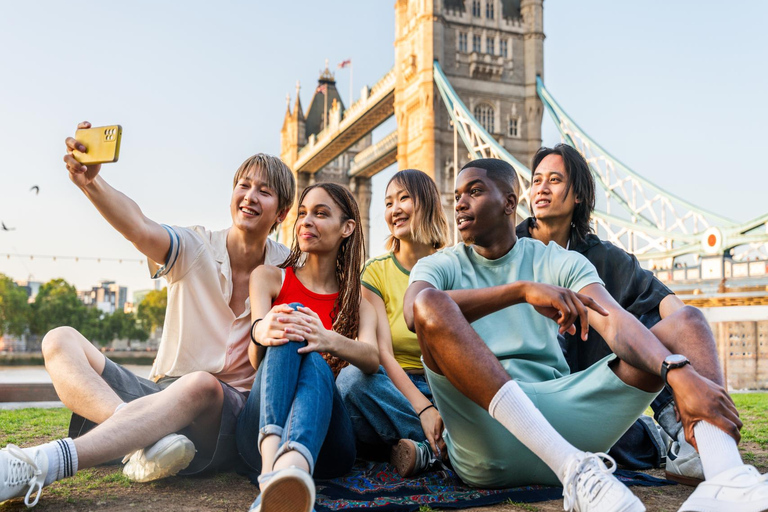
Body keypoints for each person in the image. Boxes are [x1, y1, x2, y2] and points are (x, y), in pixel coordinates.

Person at [403, 158, 768, 512]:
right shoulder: (440, 264)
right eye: (457, 196)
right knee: (430, 303)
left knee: (689, 321)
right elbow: (414, 312)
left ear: (509, 203)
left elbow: (614, 322)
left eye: (475, 191)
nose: (460, 203)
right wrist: (521, 291)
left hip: (563, 412)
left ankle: (724, 475)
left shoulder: (558, 260)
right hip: (485, 431)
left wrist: (677, 371)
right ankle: (572, 469)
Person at [0, 121, 295, 508]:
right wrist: (91, 183)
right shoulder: (195, 246)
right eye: (244, 185)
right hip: (162, 394)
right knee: (59, 340)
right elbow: (138, 226)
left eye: (264, 191)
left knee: (202, 384)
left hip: (228, 413)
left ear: (283, 212)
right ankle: (142, 436)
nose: (249, 196)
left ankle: (44, 463)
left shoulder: (290, 270)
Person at [516, 144, 713, 483]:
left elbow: (666, 302)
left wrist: (692, 364)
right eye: (536, 181)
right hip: (529, 393)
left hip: (589, 391)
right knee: (619, 444)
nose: (542, 189)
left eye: (554, 180)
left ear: (578, 195)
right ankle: (660, 440)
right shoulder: (508, 247)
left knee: (662, 319)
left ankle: (698, 433)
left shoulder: (602, 256)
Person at [236, 183, 379, 512]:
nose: (306, 221)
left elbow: (372, 359)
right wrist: (262, 330)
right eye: (302, 213)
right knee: (292, 316)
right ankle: (277, 474)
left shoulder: (358, 304)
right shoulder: (268, 278)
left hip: (328, 443)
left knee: (314, 357)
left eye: (321, 213)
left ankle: (286, 472)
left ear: (347, 228)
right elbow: (257, 361)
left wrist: (326, 338)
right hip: (258, 432)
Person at [336, 169, 451, 477]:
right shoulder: (375, 272)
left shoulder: (453, 265)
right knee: (350, 382)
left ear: (428, 203)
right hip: (392, 391)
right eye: (388, 203)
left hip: (444, 388)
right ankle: (448, 447)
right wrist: (423, 409)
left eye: (404, 198)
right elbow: (383, 353)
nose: (394, 209)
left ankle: (418, 449)